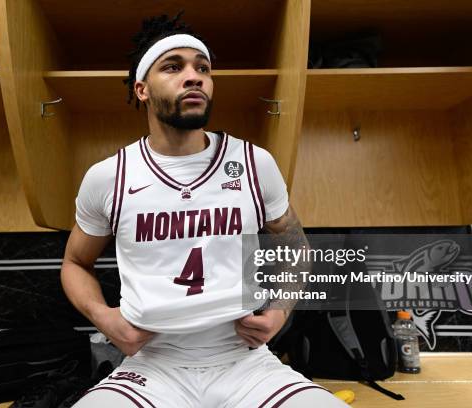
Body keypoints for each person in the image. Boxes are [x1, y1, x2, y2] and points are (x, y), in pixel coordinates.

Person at [61, 11, 349, 408]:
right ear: (142, 89)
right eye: (173, 67)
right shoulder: (107, 177)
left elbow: (295, 248)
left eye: (204, 68)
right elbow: (75, 263)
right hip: (153, 364)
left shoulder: (253, 163)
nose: (194, 76)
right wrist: (104, 318)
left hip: (243, 362)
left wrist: (279, 312)